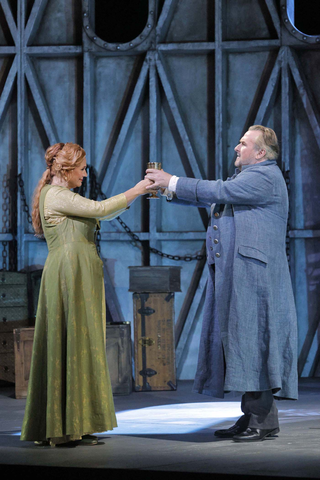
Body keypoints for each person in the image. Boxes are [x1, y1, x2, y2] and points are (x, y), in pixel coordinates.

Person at [145, 125, 298, 442]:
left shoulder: (265, 176)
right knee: (242, 344)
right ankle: (252, 415)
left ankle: (264, 421)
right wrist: (167, 191)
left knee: (254, 343)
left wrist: (171, 181)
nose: (236, 148)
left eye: (244, 143)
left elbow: (216, 192)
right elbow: (214, 198)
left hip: (254, 277)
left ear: (261, 152)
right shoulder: (245, 179)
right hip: (238, 273)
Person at [21, 142, 154, 447]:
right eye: (80, 169)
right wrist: (137, 190)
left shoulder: (63, 195)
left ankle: (77, 423)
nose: (84, 174)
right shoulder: (56, 195)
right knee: (67, 343)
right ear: (65, 170)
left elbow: (98, 214)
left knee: (81, 345)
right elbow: (100, 209)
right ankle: (61, 427)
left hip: (80, 274)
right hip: (69, 275)